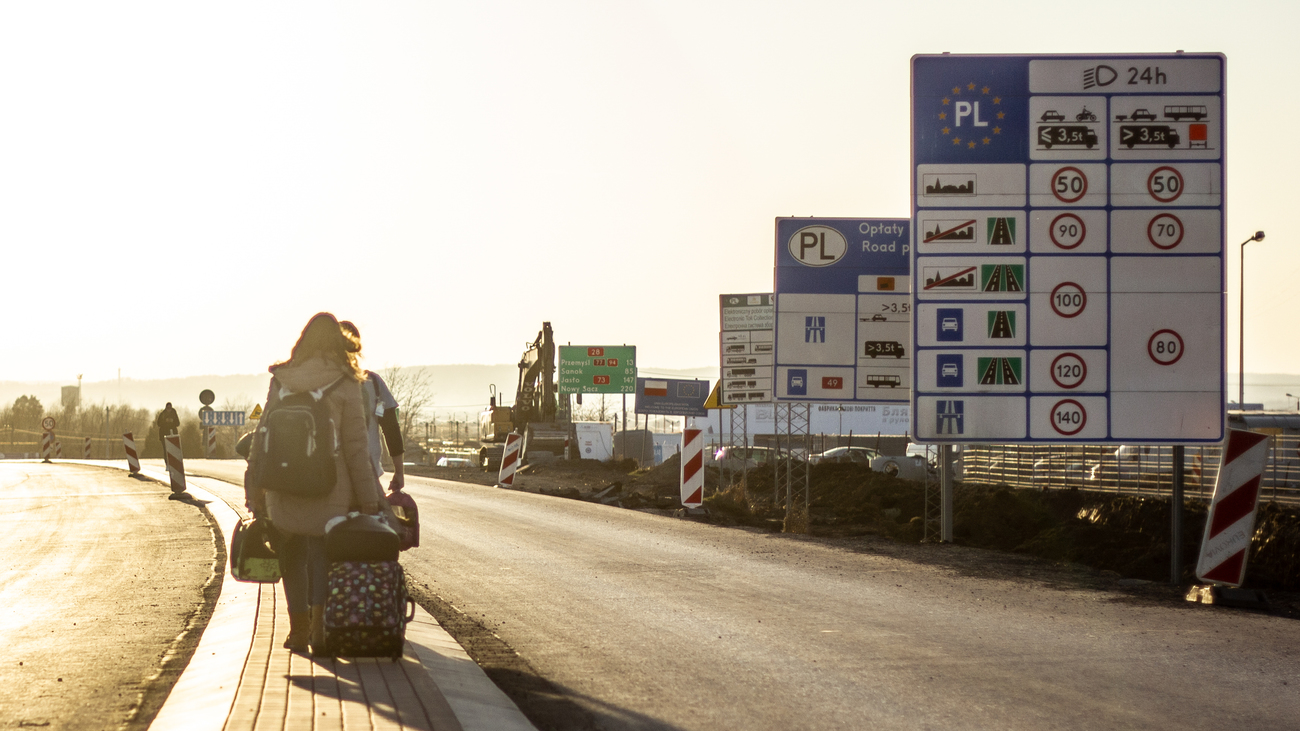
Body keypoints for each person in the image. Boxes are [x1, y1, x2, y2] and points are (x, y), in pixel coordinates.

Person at [246, 313, 382, 653]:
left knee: (291, 553)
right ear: (339, 342)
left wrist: (253, 488)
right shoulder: (347, 382)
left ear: (303, 339)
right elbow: (355, 449)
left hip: (283, 484)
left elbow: (262, 435)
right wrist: (369, 499)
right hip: (330, 486)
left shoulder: (283, 378)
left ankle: (299, 630)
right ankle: (321, 630)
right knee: (323, 552)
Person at [339, 321, 405, 490]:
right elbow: (391, 428)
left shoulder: (319, 384)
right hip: (367, 475)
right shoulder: (373, 383)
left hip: (328, 478)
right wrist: (399, 471)